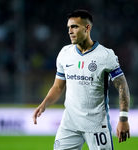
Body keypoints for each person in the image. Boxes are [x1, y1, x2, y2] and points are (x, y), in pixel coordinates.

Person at [32, 9, 130, 150]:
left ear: (87, 28)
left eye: (74, 27)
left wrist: (123, 118)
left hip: (96, 125)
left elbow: (123, 87)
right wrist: (44, 104)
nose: (70, 31)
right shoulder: (65, 53)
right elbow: (58, 87)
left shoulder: (105, 55)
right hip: (70, 124)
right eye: (69, 27)